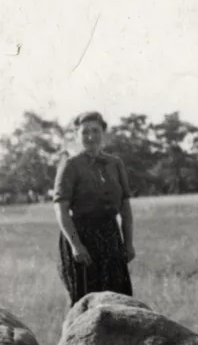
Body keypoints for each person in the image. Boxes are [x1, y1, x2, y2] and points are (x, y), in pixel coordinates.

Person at [53, 110, 136, 306]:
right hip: (82, 238)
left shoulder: (115, 164)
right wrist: (76, 245)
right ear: (76, 135)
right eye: (85, 132)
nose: (91, 137)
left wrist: (129, 243)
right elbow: (61, 209)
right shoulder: (70, 165)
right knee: (85, 302)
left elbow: (125, 207)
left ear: (103, 133)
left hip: (110, 237)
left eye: (96, 131)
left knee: (118, 300)